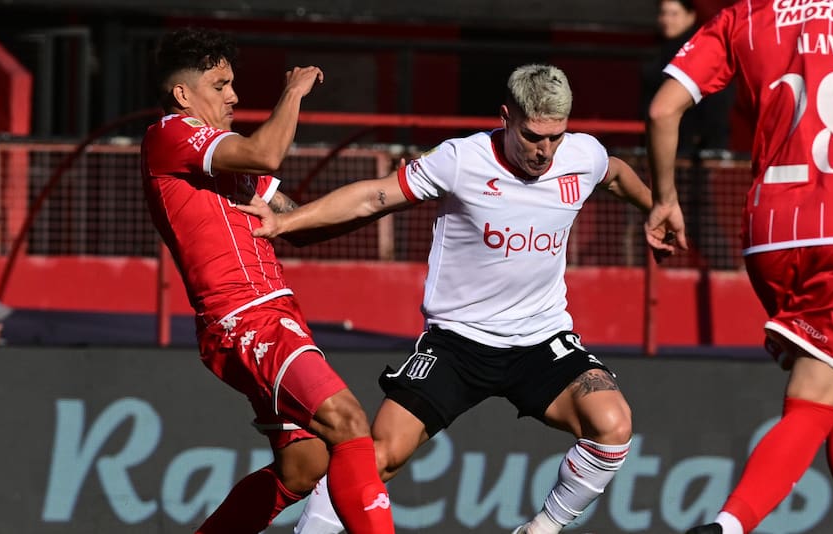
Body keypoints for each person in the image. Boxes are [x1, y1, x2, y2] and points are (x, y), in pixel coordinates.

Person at [239, 64, 652, 534]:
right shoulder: (461, 159)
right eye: (534, 136)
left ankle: (540, 529)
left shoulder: (582, 156)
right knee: (378, 457)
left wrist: (660, 207)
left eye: (556, 137)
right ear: (506, 117)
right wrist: (285, 222)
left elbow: (616, 175)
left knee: (614, 425)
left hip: (542, 339)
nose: (545, 151)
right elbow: (374, 196)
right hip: (458, 344)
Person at [644, 2, 833, 533]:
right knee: (816, 399)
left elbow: (661, 110)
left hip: (770, 234)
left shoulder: (743, 16)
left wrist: (664, 199)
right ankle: (728, 525)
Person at [139, 27, 394, 534]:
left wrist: (394, 194)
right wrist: (293, 92)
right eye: (220, 84)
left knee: (306, 465)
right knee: (348, 422)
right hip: (244, 317)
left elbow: (295, 223)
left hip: (271, 312)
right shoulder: (170, 133)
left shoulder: (223, 157)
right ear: (183, 95)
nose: (233, 95)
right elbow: (266, 154)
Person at [640, 0, 732, 155]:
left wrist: (704, 137)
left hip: (693, 147)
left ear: (691, 16)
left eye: (674, 14)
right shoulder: (658, 49)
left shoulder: (701, 49)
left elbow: (718, 98)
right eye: (663, 13)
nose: (667, 20)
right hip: (661, 139)